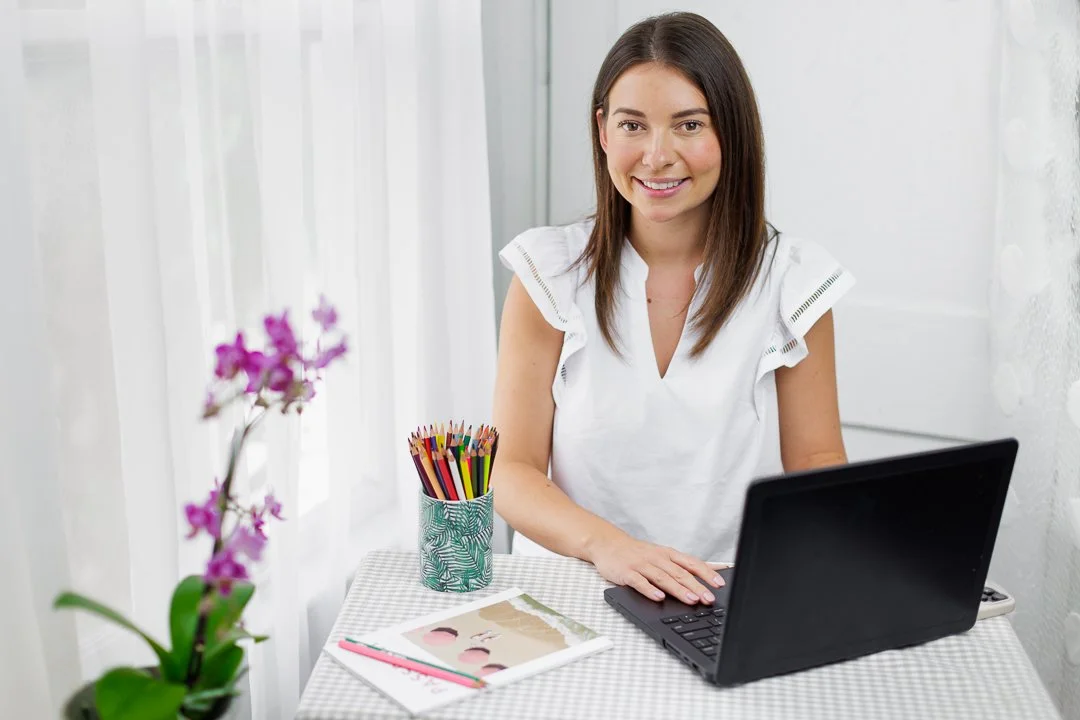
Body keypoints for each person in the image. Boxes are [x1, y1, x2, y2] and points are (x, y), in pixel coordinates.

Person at [492, 12, 854, 607]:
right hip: (568, 592)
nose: (657, 156)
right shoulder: (547, 272)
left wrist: (872, 546)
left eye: (688, 125)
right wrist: (609, 547)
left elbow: (816, 460)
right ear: (603, 131)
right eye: (634, 125)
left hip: (720, 600)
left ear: (731, 135)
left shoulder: (793, 281)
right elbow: (511, 469)